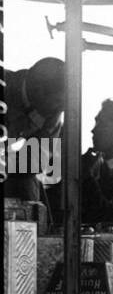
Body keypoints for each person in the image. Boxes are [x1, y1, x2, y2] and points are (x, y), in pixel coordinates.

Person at [3, 57, 65, 206]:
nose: (62, 109)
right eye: (59, 103)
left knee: (28, 184)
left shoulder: (52, 110)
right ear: (38, 90)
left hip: (11, 172)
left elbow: (34, 164)